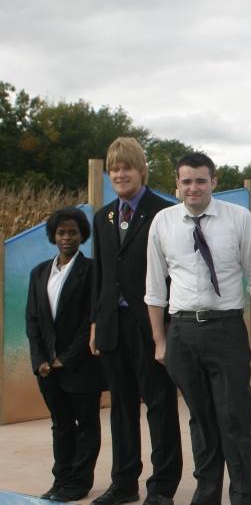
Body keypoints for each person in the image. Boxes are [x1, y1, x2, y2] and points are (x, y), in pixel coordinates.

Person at [145, 152, 251, 505]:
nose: (193, 187)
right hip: (182, 332)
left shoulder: (239, 218)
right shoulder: (162, 222)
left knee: (235, 417)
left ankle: (242, 495)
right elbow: (154, 287)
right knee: (201, 421)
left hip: (226, 328)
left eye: (200, 180)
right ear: (177, 185)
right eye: (186, 181)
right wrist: (160, 340)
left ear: (214, 182)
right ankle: (206, 496)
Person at [90, 137, 182, 505]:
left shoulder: (165, 213)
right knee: (121, 407)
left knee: (160, 404)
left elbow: (175, 272)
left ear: (142, 171)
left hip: (151, 324)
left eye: (126, 167)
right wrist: (95, 323)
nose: (119, 174)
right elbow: (100, 275)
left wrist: (169, 329)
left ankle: (162, 487)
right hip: (113, 325)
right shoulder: (103, 217)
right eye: (113, 169)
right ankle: (124, 483)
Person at [26, 207, 106, 503]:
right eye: (61, 232)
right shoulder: (39, 272)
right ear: (53, 236)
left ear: (82, 235)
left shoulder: (93, 270)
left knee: (86, 425)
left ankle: (78, 483)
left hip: (81, 365)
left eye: (73, 232)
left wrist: (68, 358)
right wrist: (40, 359)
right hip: (48, 368)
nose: (67, 237)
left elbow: (92, 318)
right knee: (60, 426)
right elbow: (33, 320)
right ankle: (61, 480)